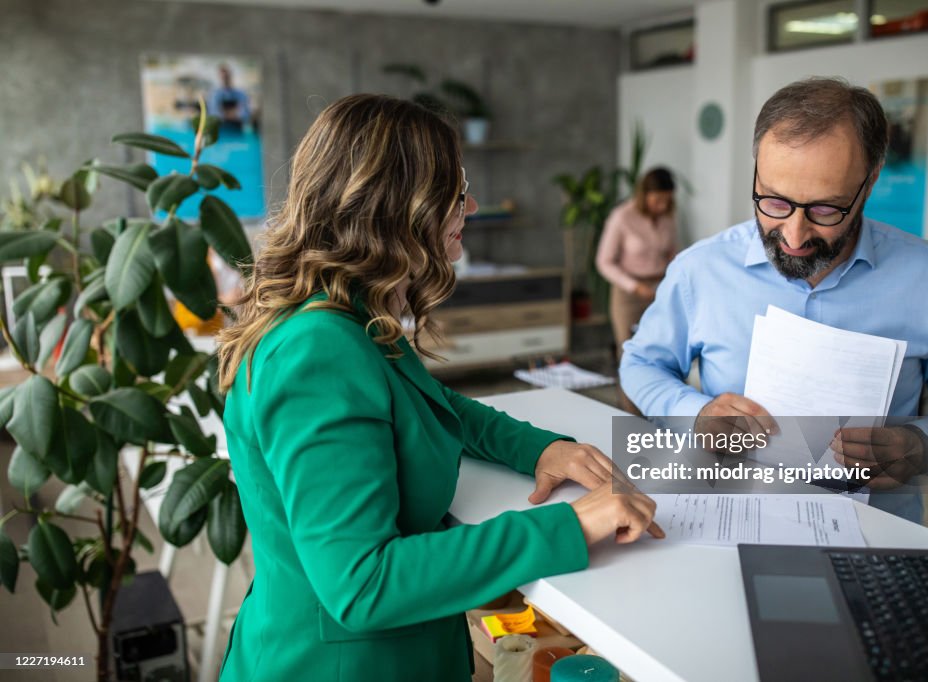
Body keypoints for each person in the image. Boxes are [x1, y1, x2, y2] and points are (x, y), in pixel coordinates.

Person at [215, 94, 663, 681]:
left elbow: (432, 402)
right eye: (455, 195)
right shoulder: (318, 351)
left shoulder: (347, 311)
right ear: (396, 208)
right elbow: (364, 583)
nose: (471, 206)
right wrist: (574, 525)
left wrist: (541, 449)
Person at [620, 77, 928, 522]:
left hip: (878, 532)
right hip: (726, 519)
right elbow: (640, 364)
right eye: (774, 202)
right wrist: (694, 414)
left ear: (870, 182)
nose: (794, 235)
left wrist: (926, 444)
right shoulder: (700, 270)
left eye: (825, 209)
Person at [596, 167, 678, 414]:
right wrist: (635, 286)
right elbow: (604, 262)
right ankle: (631, 414)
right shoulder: (622, 217)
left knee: (663, 350)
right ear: (644, 194)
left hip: (660, 290)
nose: (662, 206)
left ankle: (661, 411)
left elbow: (674, 252)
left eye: (667, 200)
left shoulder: (668, 218)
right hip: (628, 294)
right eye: (657, 200)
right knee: (630, 353)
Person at [208, 64, 251, 132]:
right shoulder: (214, 94)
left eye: (227, 76)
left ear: (231, 76)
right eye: (223, 77)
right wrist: (233, 113)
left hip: (237, 131)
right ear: (219, 77)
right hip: (221, 131)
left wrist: (226, 114)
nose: (225, 79)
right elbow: (213, 115)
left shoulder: (241, 94)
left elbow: (245, 114)